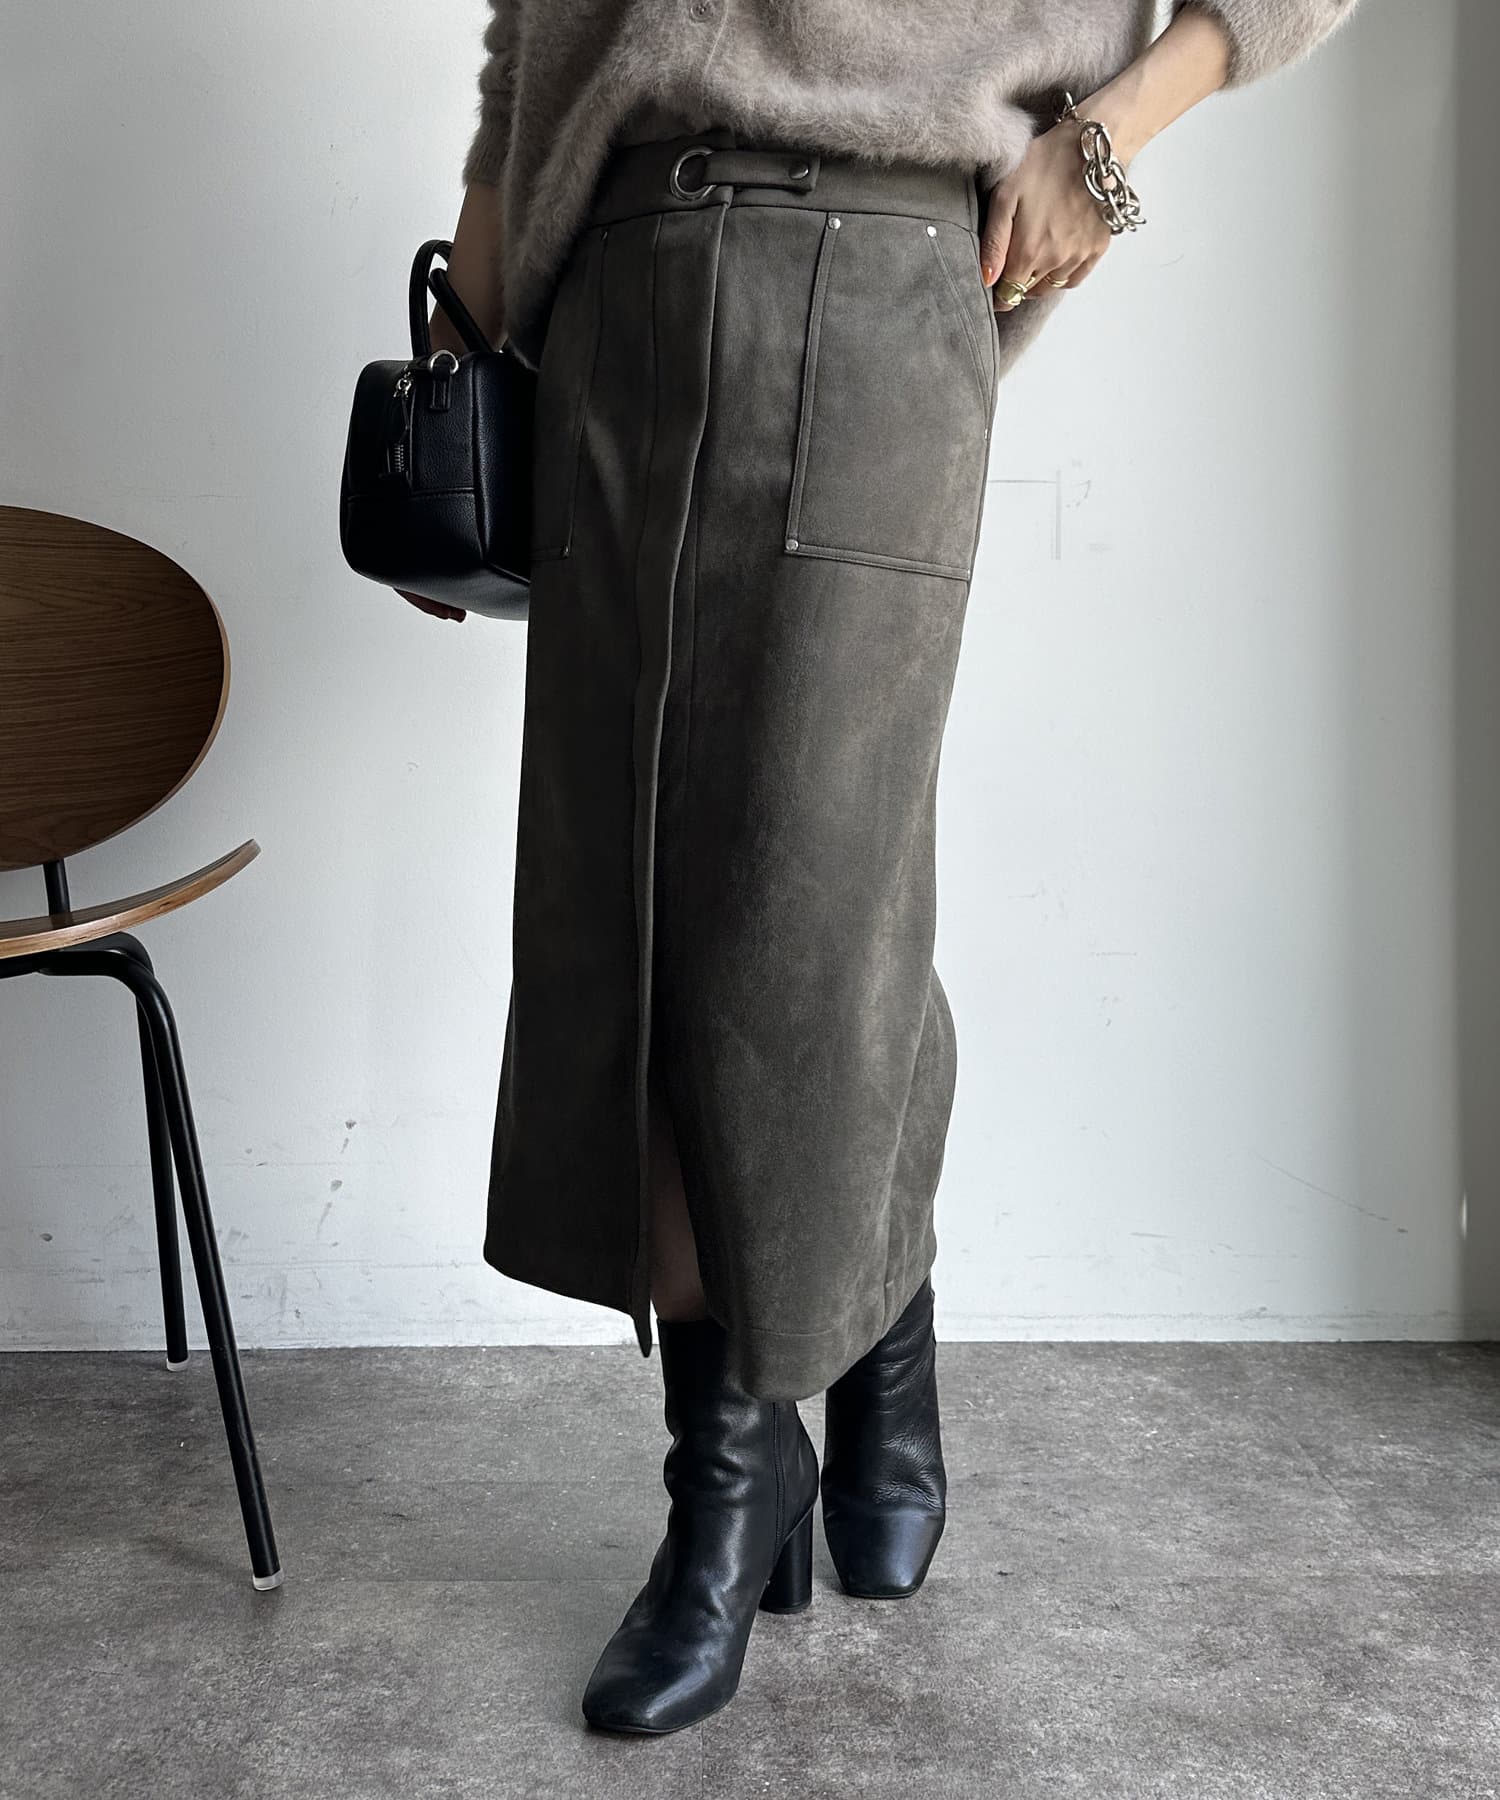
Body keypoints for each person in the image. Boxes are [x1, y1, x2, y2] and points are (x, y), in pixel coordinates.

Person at [403, 0, 1363, 1736]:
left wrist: (1107, 139)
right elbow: (528, 43)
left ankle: (758, 1452)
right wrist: (459, 356)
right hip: (611, 294)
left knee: (799, 898)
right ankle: (781, 1419)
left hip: (876, 268)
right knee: (635, 897)